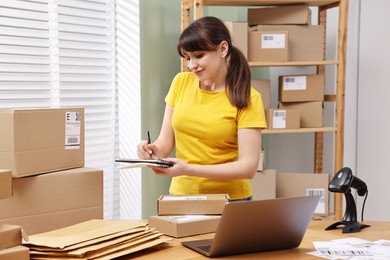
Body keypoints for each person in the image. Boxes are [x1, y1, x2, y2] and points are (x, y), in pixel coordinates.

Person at [137, 16, 267, 201]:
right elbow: (165, 142)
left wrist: (189, 169)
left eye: (199, 56)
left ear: (222, 49)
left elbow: (248, 167)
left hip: (231, 200)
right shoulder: (180, 83)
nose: (191, 65)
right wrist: (152, 151)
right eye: (187, 57)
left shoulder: (248, 97)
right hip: (182, 197)